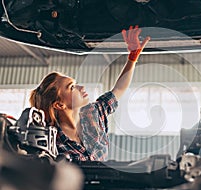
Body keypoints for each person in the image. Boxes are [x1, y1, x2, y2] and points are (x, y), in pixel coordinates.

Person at [29, 25, 150, 161]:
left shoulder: (93, 114)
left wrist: (132, 59)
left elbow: (118, 90)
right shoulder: (51, 141)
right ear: (59, 104)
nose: (81, 87)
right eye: (72, 87)